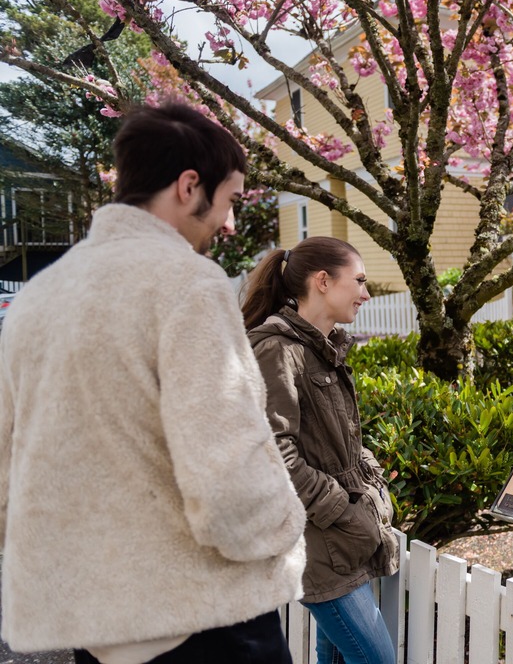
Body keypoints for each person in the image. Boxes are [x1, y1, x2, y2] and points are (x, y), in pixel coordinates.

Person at [0, 103, 306, 663]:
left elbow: (6, 469)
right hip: (201, 614)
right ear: (190, 186)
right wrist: (284, 528)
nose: (231, 223)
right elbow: (225, 476)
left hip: (96, 624)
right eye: (231, 200)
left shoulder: (37, 298)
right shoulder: (187, 283)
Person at [242, 236, 399, 664]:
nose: (366, 294)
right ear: (324, 281)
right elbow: (274, 453)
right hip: (320, 542)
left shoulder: (322, 349)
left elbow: (340, 444)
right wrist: (341, 511)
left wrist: (370, 482)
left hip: (342, 541)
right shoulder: (277, 349)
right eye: (360, 281)